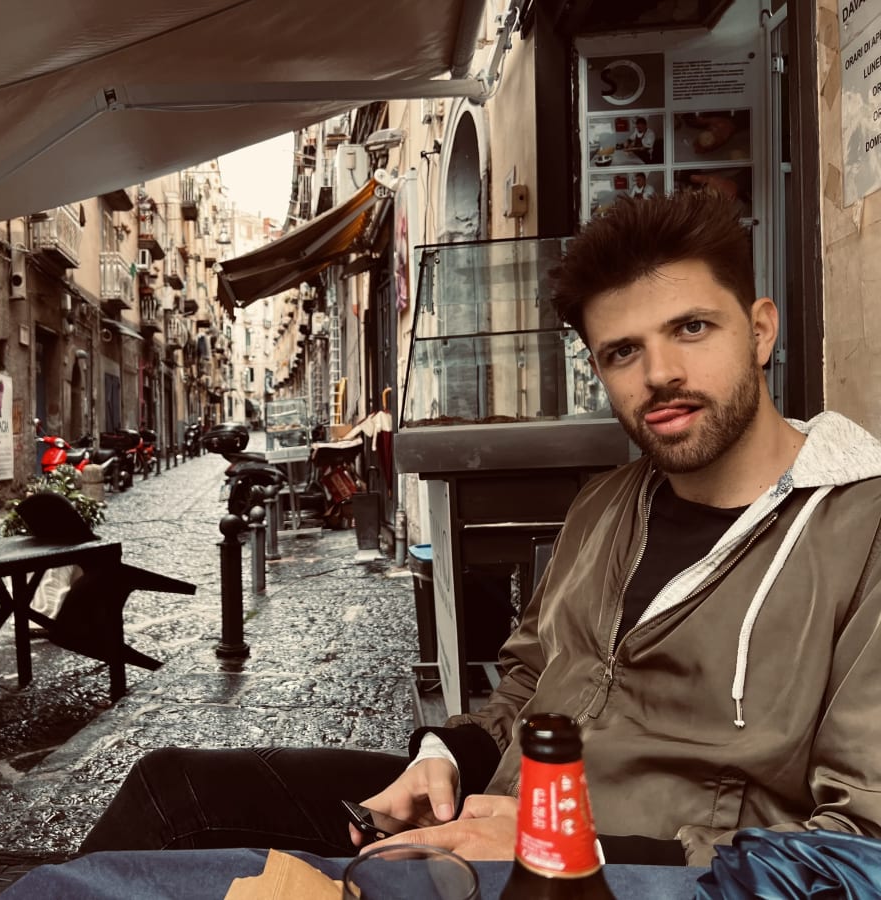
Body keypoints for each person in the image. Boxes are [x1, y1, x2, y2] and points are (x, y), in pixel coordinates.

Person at [79, 191, 881, 868]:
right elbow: (532, 684)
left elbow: (860, 854)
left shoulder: (863, 528)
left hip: (647, 874)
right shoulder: (608, 504)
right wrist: (445, 757)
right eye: (622, 351)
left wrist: (571, 846)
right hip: (491, 821)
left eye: (693, 329)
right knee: (171, 792)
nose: (660, 373)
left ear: (762, 329)